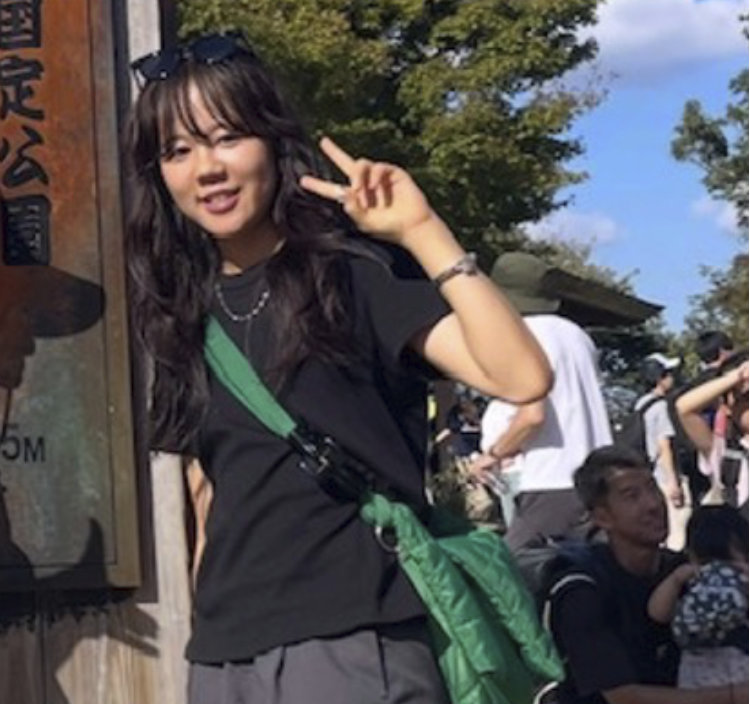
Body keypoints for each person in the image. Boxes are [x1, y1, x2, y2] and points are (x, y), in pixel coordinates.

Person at [125, 31, 551, 704]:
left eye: (227, 137)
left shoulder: (347, 275)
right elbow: (209, 491)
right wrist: (205, 631)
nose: (205, 168)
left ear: (272, 141)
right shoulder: (182, 315)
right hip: (225, 656)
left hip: (353, 638)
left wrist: (422, 231)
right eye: (178, 150)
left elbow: (522, 378)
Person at [547, 444, 748, 704]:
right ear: (602, 517)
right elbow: (624, 697)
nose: (653, 504)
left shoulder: (684, 571)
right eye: (632, 496)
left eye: (653, 488)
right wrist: (735, 696)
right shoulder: (582, 591)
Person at [468, 252, 613, 550]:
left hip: (549, 479)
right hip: (594, 476)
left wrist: (493, 454)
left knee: (513, 567)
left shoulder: (520, 335)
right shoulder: (577, 335)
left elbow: (532, 415)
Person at [647, 505, 748, 689]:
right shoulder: (685, 578)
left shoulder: (744, 581)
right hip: (698, 677)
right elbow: (657, 614)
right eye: (707, 561)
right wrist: (676, 580)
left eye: (727, 560)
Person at [676, 356, 748, 511]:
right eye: (746, 398)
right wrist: (736, 377)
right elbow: (684, 408)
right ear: (726, 408)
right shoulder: (723, 451)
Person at [635, 352, 689, 550]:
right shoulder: (661, 407)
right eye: (668, 373)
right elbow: (664, 445)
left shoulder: (640, 405)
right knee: (678, 533)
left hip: (648, 476)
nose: (672, 378)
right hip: (665, 477)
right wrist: (673, 482)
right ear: (659, 378)